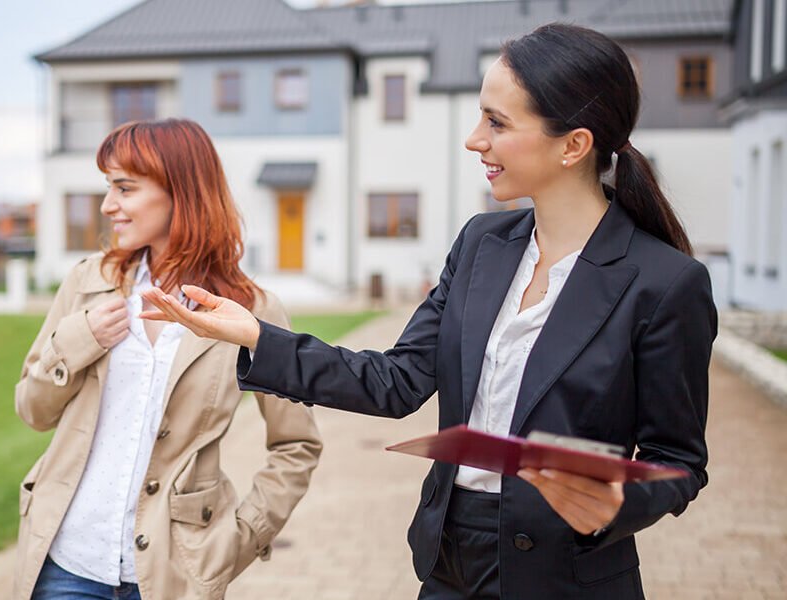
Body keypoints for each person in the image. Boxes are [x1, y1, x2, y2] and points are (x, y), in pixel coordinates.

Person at [142, 23, 717, 600]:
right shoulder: (481, 246)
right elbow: (397, 381)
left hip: (569, 572)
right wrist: (257, 338)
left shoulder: (665, 285)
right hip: (451, 562)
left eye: (497, 122)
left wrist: (614, 503)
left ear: (573, 145)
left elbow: (679, 461)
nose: (474, 140)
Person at [13, 118, 322, 600]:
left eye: (124, 188)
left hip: (174, 576)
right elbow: (33, 411)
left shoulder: (252, 312)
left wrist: (240, 538)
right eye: (108, 187)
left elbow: (296, 443)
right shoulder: (85, 282)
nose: (107, 205)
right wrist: (78, 340)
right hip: (66, 564)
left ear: (180, 192)